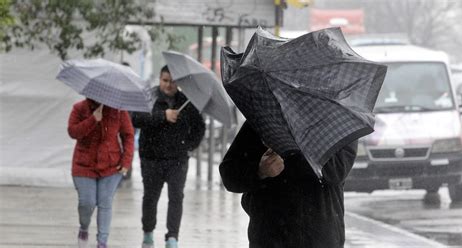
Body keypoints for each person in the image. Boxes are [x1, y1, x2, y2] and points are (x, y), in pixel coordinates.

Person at [219, 121, 358, 248]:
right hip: (269, 234)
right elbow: (230, 174)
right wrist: (259, 170)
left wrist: (288, 150)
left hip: (320, 236)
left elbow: (336, 170)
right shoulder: (264, 120)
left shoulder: (339, 123)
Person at [131, 65, 205, 248]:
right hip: (151, 158)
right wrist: (163, 116)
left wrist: (189, 146)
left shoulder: (186, 101)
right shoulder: (149, 98)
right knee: (150, 197)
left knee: (176, 197)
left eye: (172, 81)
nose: (168, 85)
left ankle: (172, 237)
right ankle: (148, 232)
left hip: (177, 159)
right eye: (165, 80)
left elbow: (199, 127)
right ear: (159, 79)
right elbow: (136, 119)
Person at [67, 98, 135, 248]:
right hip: (84, 165)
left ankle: (102, 242)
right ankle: (84, 228)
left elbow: (128, 135)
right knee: (87, 203)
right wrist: (93, 120)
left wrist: (126, 162)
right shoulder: (79, 108)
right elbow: (72, 132)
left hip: (111, 166)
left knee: (105, 202)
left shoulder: (118, 110)